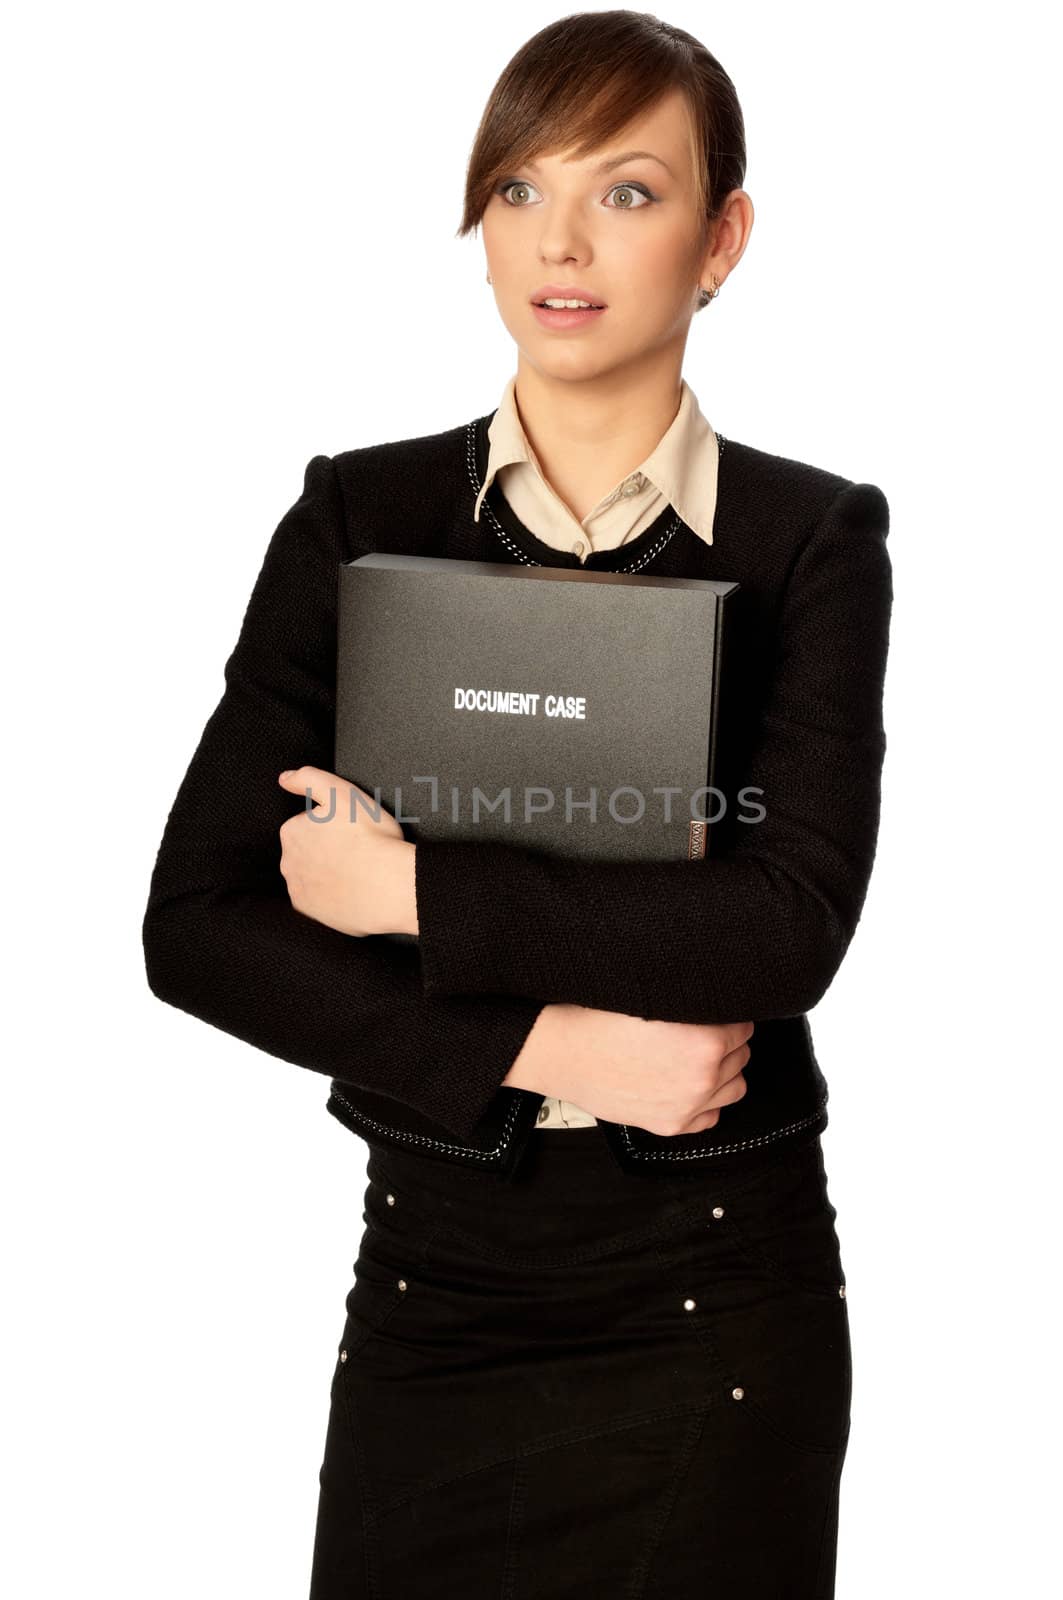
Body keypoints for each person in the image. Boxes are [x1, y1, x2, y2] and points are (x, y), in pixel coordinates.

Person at [142, 12, 893, 1596]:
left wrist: (412, 895)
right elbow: (199, 929)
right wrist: (563, 1048)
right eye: (516, 190)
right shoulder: (362, 513)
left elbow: (783, 926)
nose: (560, 240)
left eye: (627, 191)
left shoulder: (809, 538)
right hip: (438, 1277)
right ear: (478, 225)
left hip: (715, 1283)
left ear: (723, 238)